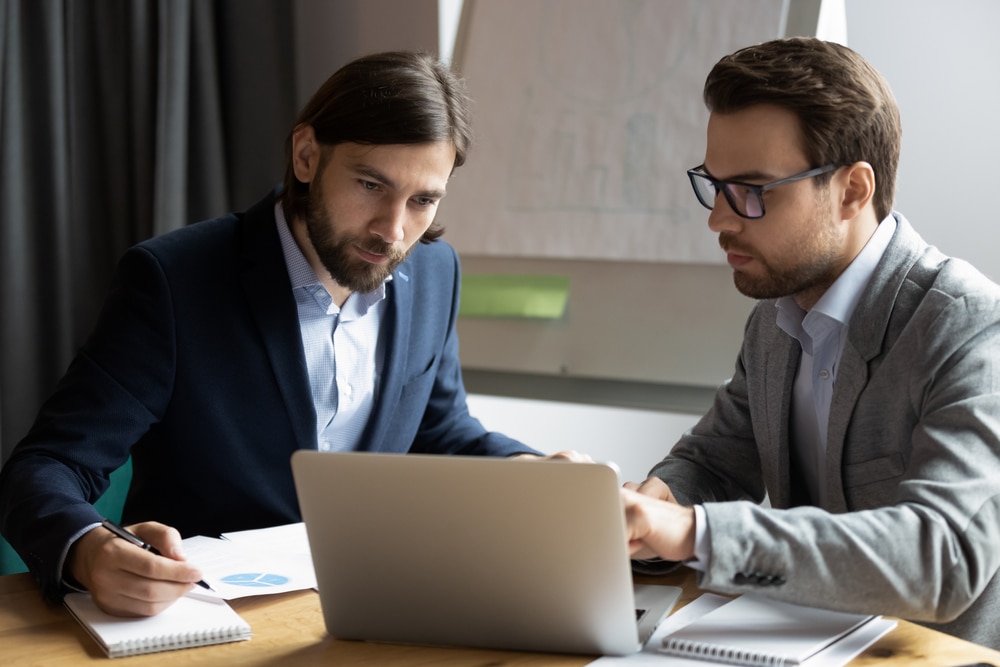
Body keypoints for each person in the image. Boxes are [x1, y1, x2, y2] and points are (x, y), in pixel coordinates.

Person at [0, 51, 582, 618]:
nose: (393, 230)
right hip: (212, 612)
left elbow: (439, 430)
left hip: (378, 602)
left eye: (423, 200)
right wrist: (88, 548)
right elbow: (47, 465)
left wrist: (532, 474)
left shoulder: (434, 271)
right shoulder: (174, 281)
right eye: (371, 185)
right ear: (307, 155)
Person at [621, 37, 1000, 650]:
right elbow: (716, 461)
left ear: (852, 190)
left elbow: (944, 559)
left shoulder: (971, 326)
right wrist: (638, 509)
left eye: (751, 190)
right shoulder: (778, 313)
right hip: (799, 648)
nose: (719, 219)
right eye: (713, 185)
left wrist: (694, 532)